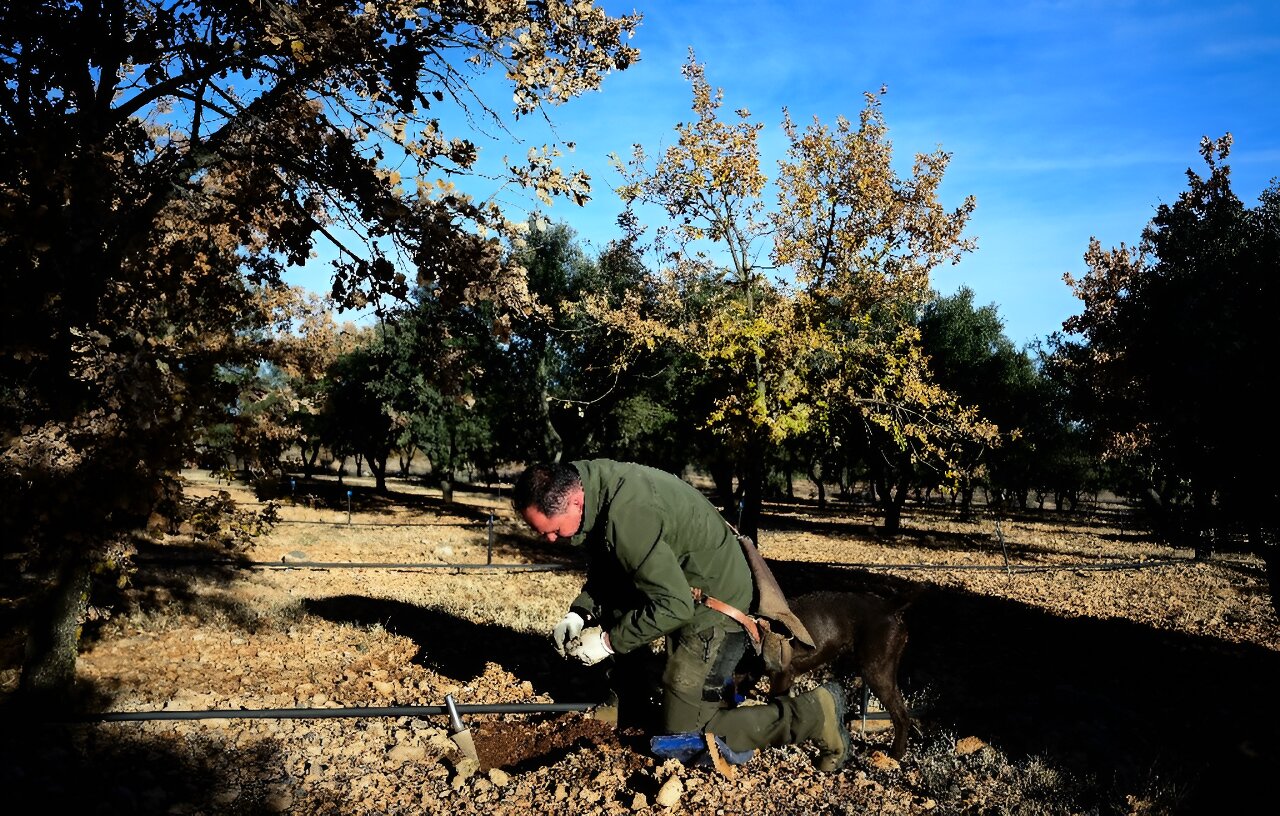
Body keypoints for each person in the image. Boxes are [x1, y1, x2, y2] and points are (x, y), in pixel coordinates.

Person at [512, 458, 852, 772]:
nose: (551, 539)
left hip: (716, 605)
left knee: (684, 736)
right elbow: (613, 566)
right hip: (680, 590)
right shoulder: (594, 484)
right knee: (620, 613)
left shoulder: (627, 516)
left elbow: (674, 605)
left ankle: (814, 714)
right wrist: (581, 613)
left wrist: (608, 641)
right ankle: (629, 704)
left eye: (552, 530)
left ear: (574, 501)